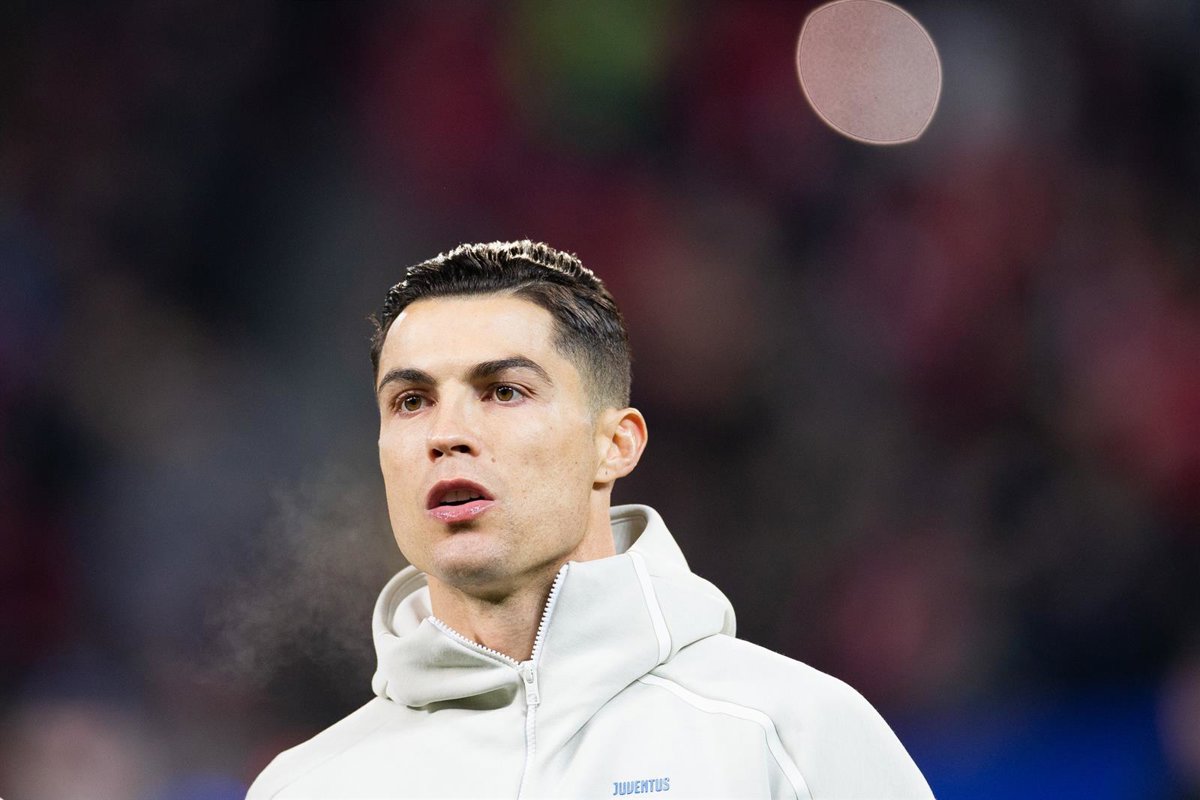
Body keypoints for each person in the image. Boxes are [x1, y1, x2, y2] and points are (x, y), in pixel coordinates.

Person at [247, 241, 933, 799]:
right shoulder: (306, 788)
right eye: (410, 401)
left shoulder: (789, 737)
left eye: (503, 391)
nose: (446, 433)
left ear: (615, 444)